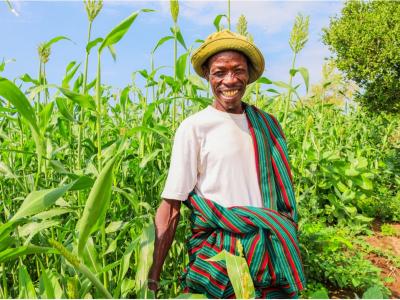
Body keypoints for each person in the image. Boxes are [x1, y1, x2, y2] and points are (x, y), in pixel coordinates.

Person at [148, 30, 305, 299]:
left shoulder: (267, 125)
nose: (229, 80)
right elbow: (171, 205)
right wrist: (152, 277)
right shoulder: (194, 128)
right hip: (218, 255)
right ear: (208, 75)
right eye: (220, 72)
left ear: (248, 75)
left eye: (238, 70)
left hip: (268, 251)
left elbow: (282, 195)